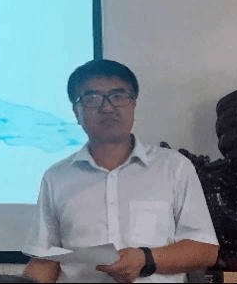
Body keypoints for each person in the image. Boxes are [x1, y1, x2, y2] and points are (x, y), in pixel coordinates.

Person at [21, 59, 219, 283]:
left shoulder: (174, 167)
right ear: (76, 112)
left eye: (118, 96)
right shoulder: (57, 177)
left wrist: (145, 258)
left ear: (133, 104)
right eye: (92, 98)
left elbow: (205, 250)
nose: (107, 107)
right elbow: (46, 261)